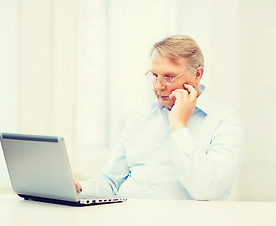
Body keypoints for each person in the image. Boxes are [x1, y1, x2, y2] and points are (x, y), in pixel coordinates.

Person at [74, 35, 245, 200]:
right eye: (155, 76)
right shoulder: (138, 121)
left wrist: (179, 125)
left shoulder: (226, 122)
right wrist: (79, 188)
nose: (158, 86)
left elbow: (206, 190)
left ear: (197, 74)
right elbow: (111, 182)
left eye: (169, 77)